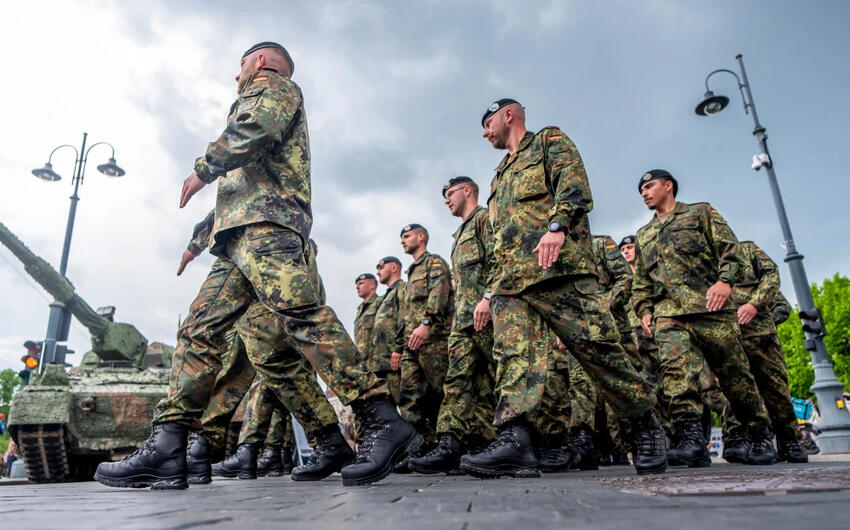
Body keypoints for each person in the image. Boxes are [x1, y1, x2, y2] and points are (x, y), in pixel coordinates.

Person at [95, 42, 418, 490]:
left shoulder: (274, 87)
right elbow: (239, 192)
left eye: (241, 65)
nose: (237, 75)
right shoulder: (256, 100)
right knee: (199, 329)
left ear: (260, 62)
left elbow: (256, 129)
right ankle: (168, 446)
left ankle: (381, 419)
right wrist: (197, 240)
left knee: (301, 318)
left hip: (269, 227)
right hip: (238, 236)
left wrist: (203, 168)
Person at [461, 99, 667, 478]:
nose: (484, 132)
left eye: (487, 122)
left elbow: (573, 187)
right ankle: (515, 440)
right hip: (512, 283)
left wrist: (557, 227)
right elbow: (500, 239)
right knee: (514, 360)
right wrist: (491, 293)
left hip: (558, 270)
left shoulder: (548, 142)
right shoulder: (498, 175)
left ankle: (644, 424)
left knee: (599, 352)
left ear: (509, 114)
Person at [632, 169, 776, 467]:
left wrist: (725, 281)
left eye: (649, 186)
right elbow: (642, 281)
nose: (644, 193)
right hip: (670, 315)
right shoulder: (644, 235)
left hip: (712, 310)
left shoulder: (700, 213)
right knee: (676, 376)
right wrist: (645, 309)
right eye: (641, 190)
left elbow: (730, 249)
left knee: (736, 376)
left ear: (668, 186)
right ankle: (691, 440)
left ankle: (759, 435)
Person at [407, 177, 497, 474]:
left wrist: (487, 297)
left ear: (467, 191)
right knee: (458, 381)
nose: (446, 200)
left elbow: (500, 260)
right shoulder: (459, 234)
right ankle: (451, 444)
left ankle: (526, 441)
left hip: (490, 316)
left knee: (496, 381)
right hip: (463, 322)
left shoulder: (485, 219)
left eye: (450, 194)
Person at [733, 241, 808, 463]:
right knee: (742, 392)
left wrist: (759, 312)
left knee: (775, 388)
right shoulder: (701, 261)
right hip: (728, 340)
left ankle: (789, 438)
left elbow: (778, 299)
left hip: (761, 337)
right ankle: (759, 439)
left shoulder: (746, 250)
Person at [396, 224, 454, 461]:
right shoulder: (410, 274)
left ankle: (449, 445)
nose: (403, 241)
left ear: (421, 237)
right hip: (411, 344)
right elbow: (405, 313)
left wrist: (427, 322)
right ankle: (422, 445)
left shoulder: (434, 263)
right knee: (409, 395)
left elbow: (439, 293)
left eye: (407, 236)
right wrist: (400, 345)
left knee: (440, 392)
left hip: (433, 340)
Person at [371, 257, 405, 403]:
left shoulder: (402, 289)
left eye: (381, 267)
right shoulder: (386, 295)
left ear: (393, 268)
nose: (378, 272)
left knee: (407, 409)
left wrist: (398, 349)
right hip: (382, 364)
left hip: (396, 363)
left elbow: (405, 320)